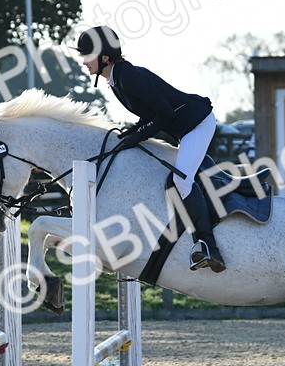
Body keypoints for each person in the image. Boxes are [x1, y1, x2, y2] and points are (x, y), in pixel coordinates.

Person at [75, 25, 226, 273]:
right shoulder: (117, 79)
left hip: (197, 123)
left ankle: (208, 246)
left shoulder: (128, 76)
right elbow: (150, 114)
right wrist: (131, 132)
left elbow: (164, 114)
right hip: (183, 127)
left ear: (104, 58)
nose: (83, 61)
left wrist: (137, 138)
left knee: (181, 181)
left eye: (87, 55)